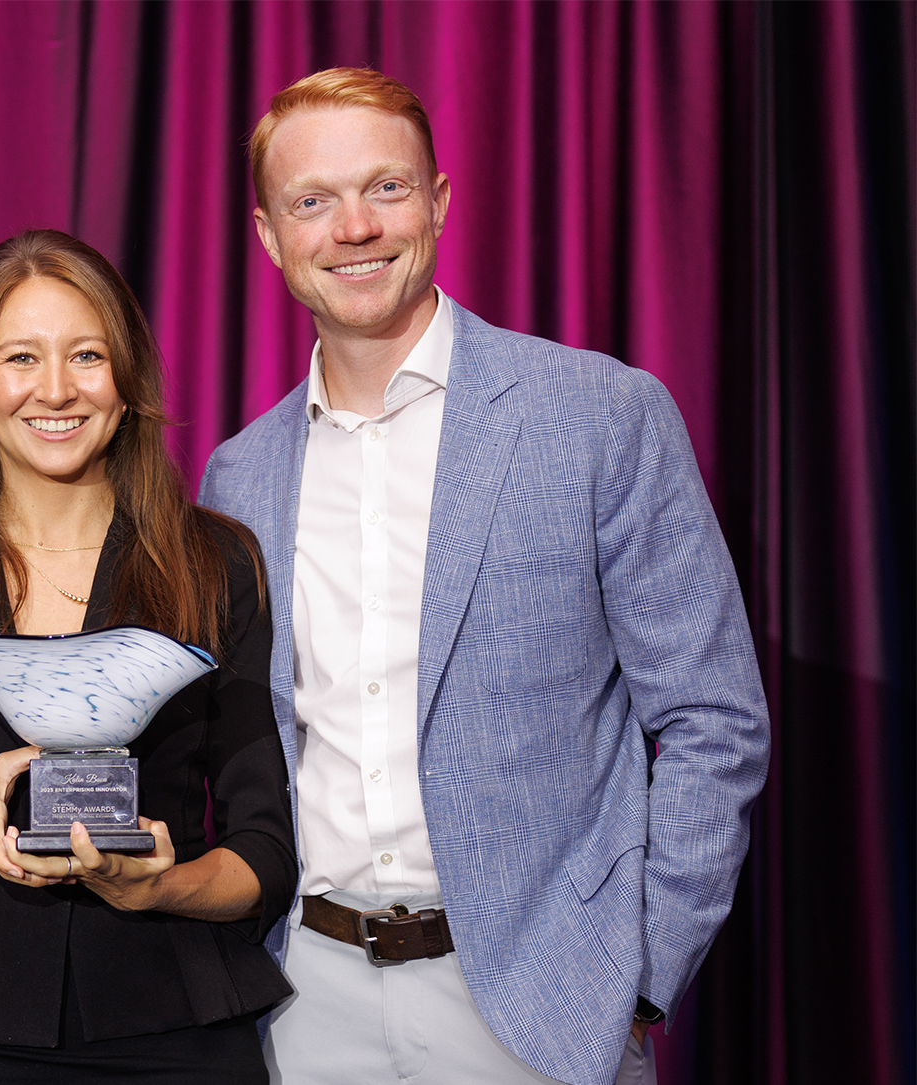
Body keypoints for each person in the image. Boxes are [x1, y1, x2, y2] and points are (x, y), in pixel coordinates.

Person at [199, 69, 770, 1085]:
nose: (354, 229)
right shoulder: (238, 475)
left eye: (385, 188)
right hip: (303, 1008)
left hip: (543, 1007)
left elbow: (711, 716)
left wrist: (636, 976)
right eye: (312, 201)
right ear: (268, 234)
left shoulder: (598, 414)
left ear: (440, 201)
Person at [0, 229, 296, 1084]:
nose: (56, 388)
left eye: (87, 354)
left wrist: (160, 887)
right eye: (21, 357)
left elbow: (264, 851)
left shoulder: (216, 563)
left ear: (126, 385)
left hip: (175, 1033)